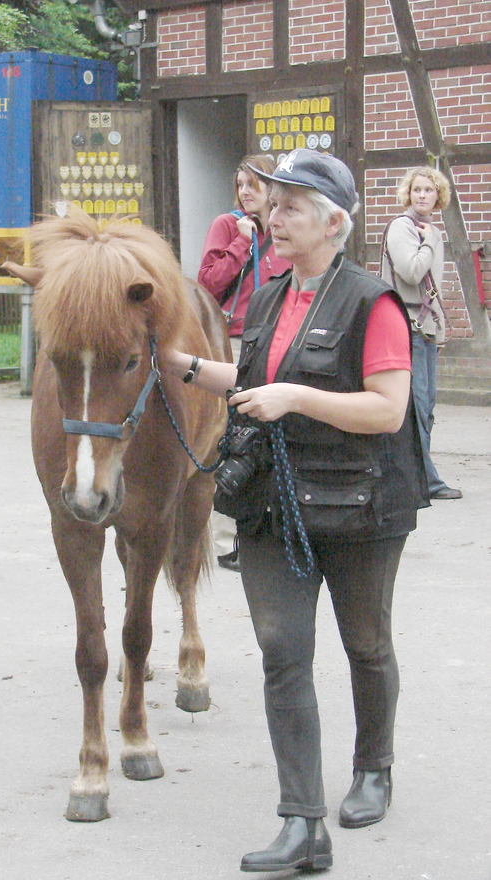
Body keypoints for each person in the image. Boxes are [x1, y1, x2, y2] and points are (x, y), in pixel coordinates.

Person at [161, 149, 428, 872]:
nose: (270, 218)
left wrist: (296, 399)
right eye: (269, 205)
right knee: (283, 655)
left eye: (288, 207)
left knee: (366, 643)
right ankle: (303, 824)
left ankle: (374, 766)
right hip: (273, 505)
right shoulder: (276, 294)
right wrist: (178, 362)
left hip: (361, 504)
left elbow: (387, 409)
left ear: (332, 221)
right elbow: (250, 377)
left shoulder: (372, 301)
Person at [198, 155, 290, 570]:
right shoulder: (227, 224)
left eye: (254, 183)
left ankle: (271, 527)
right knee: (232, 436)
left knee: (275, 435)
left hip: (280, 341)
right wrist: (241, 242)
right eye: (240, 184)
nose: (246, 192)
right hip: (236, 341)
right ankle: (225, 540)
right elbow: (208, 284)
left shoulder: (286, 227)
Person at [381, 166, 462, 500]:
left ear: (437, 195)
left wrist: (439, 331)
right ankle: (422, 480)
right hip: (408, 327)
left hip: (425, 329)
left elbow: (434, 287)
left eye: (429, 190)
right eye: (417, 190)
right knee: (415, 406)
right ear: (408, 194)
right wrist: (428, 241)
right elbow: (411, 272)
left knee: (425, 407)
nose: (422, 196)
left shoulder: (430, 230)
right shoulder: (404, 227)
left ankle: (414, 477)